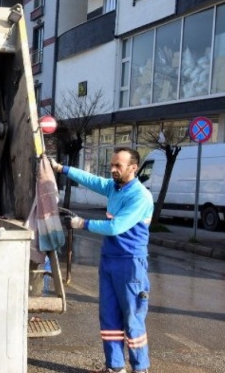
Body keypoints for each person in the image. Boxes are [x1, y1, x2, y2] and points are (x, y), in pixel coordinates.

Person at [50, 147, 153, 373]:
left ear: (133, 168)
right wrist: (61, 168)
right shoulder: (114, 187)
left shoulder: (140, 196)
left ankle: (140, 367)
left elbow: (116, 227)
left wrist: (82, 223)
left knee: (132, 317)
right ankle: (115, 367)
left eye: (119, 166)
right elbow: (90, 179)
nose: (113, 169)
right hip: (109, 260)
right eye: (112, 164)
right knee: (109, 316)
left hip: (130, 263)